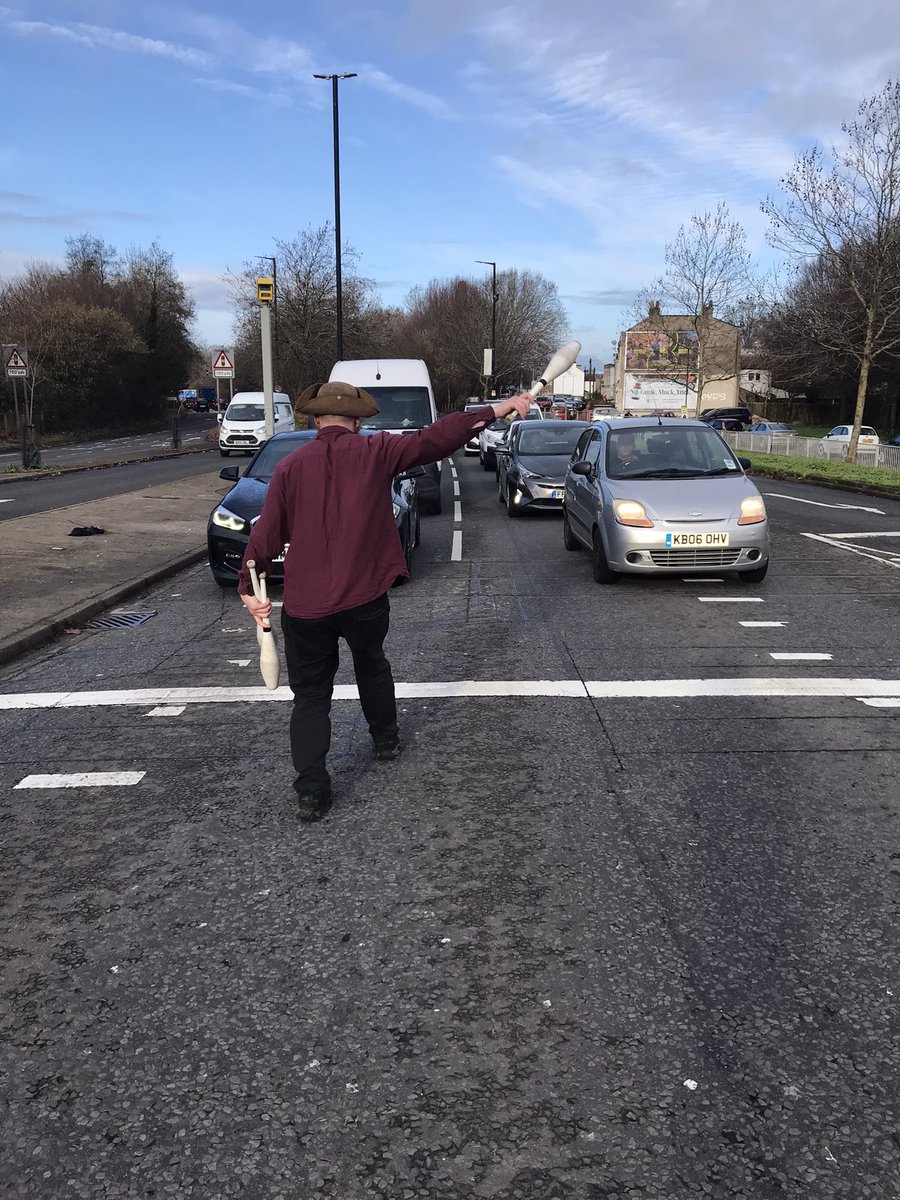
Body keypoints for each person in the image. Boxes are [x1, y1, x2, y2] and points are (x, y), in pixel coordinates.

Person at [238, 381, 532, 823]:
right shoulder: (377, 452)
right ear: (358, 422)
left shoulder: (290, 467)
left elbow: (265, 535)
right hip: (364, 595)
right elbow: (436, 439)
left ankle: (313, 790)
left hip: (307, 604)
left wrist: (249, 585)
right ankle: (385, 739)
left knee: (311, 696)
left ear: (315, 421)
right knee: (372, 663)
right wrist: (497, 410)